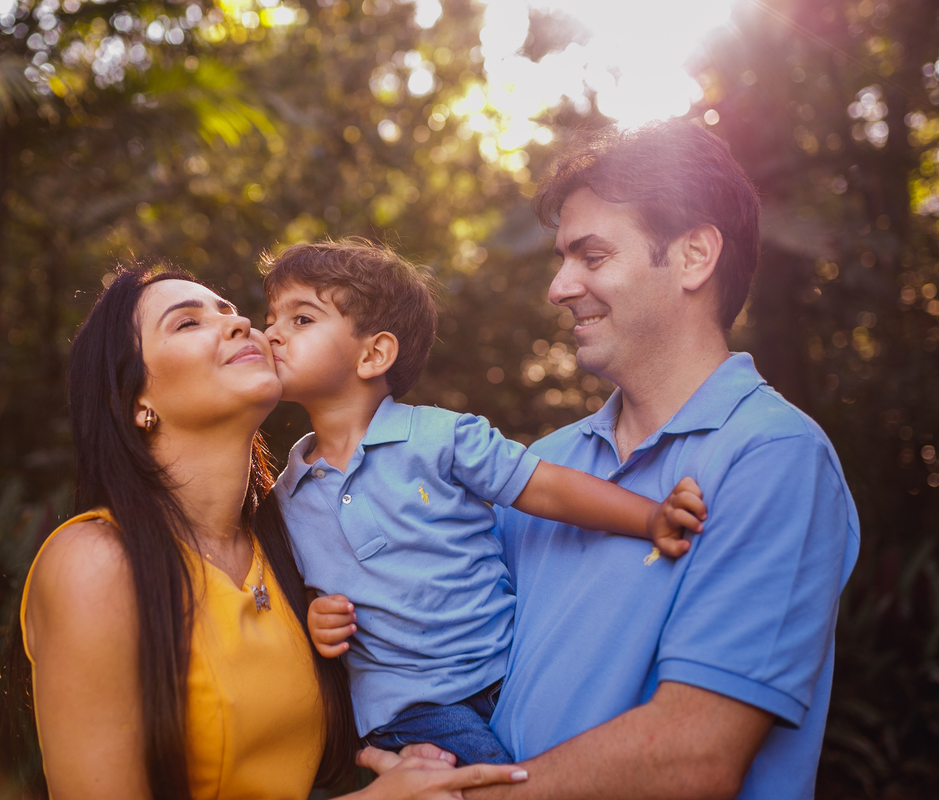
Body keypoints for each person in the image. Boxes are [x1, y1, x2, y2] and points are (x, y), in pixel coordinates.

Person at [9, 264, 531, 798]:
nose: (241, 325)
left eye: (232, 312)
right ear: (135, 401)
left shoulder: (296, 547)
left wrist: (416, 753)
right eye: (187, 323)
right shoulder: (96, 562)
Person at [464, 121, 861, 800]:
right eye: (562, 259)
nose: (559, 287)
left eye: (592, 256)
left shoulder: (774, 456)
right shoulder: (543, 467)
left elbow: (694, 754)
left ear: (694, 256)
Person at [261, 239, 708, 767]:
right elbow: (307, 593)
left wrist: (650, 517)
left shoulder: (443, 438)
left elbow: (546, 487)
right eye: (270, 320)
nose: (271, 334)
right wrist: (316, 617)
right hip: (412, 708)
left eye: (301, 319)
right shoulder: (285, 499)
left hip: (510, 672)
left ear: (374, 354)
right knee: (504, 786)